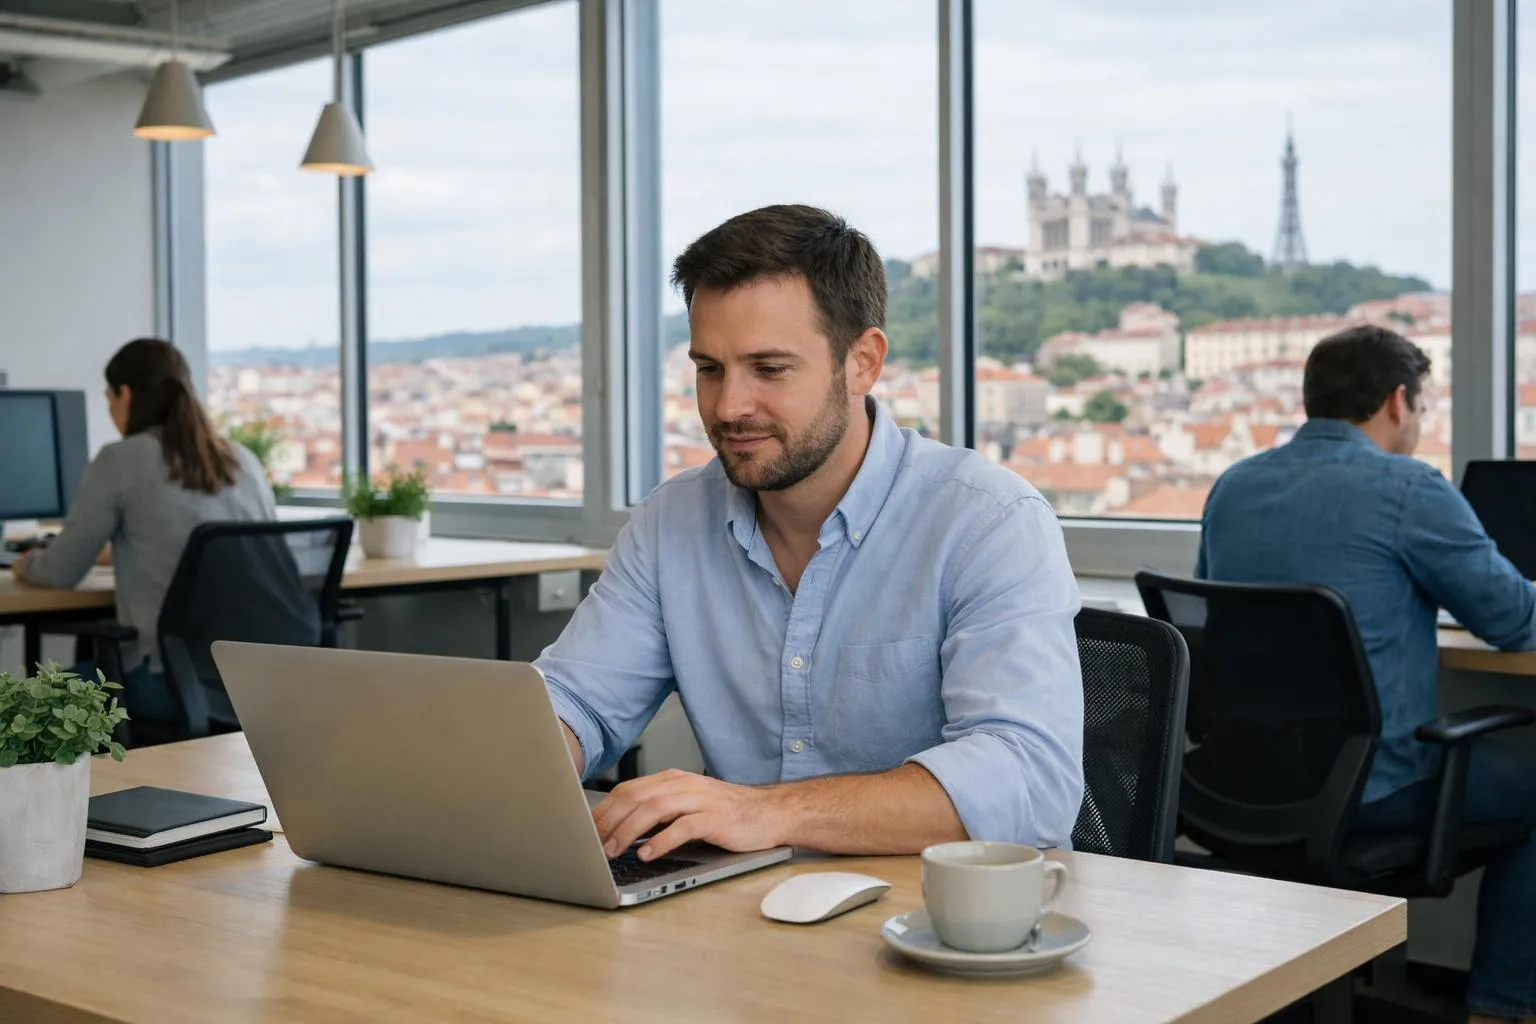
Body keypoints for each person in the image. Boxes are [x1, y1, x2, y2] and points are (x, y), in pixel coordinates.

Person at [535, 204, 1083, 865]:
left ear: (862, 363)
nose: (729, 406)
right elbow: (578, 700)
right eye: (710, 368)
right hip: (744, 918)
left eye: (769, 369)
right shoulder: (668, 524)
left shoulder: (987, 521)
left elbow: (1029, 778)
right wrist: (506, 758)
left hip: (940, 926)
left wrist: (766, 810)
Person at [1197, 325, 1536, 1024]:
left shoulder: (1234, 485)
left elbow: (1212, 618)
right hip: (1372, 791)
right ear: (1397, 401)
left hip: (1241, 781)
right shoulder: (1410, 489)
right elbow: (1511, 621)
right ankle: (1501, 1010)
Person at [11, 338, 277, 724]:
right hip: (254, 679)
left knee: (20, 704)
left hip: (162, 681)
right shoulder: (242, 459)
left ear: (126, 394)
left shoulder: (120, 458)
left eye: (109, 398)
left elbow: (59, 572)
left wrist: (27, 563)